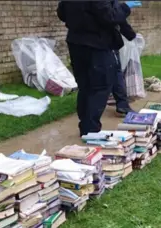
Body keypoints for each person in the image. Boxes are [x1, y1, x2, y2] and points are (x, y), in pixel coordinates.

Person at [57, 0, 141, 136]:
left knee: (85, 86)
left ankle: (85, 126)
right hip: (97, 44)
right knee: (100, 86)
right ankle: (91, 130)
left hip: (76, 43)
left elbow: (61, 13)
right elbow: (109, 17)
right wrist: (124, 7)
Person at [111, 20, 137, 117]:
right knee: (115, 72)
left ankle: (86, 107)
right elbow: (114, 15)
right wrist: (130, 34)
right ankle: (122, 105)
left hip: (77, 43)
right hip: (103, 42)